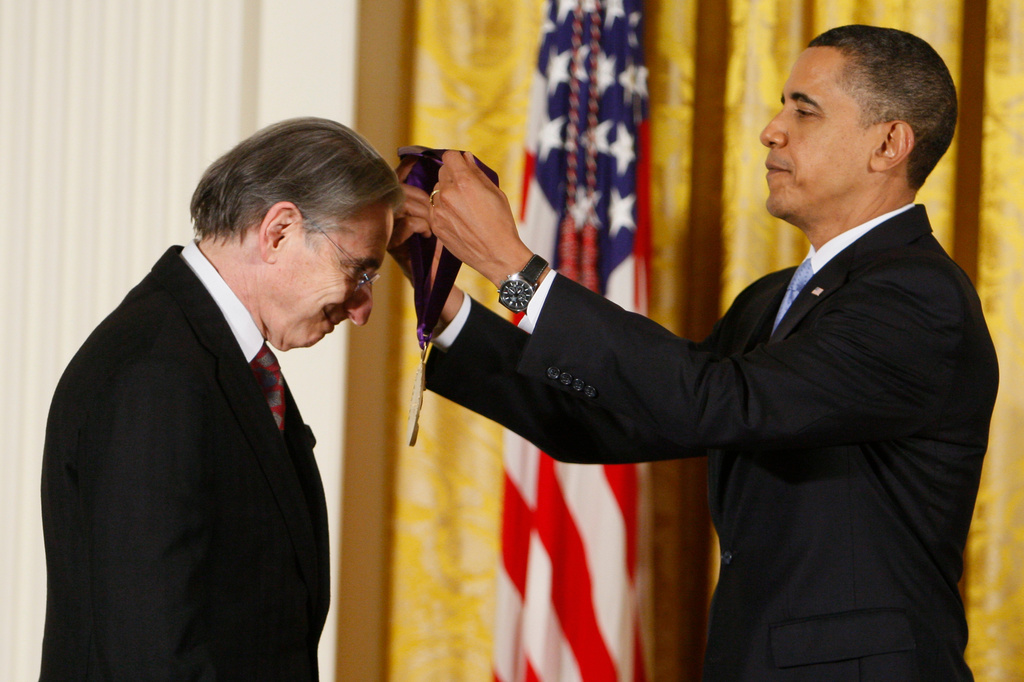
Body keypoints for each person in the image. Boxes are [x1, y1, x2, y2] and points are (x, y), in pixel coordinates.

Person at [392, 25, 998, 680]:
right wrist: (445, 301)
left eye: (804, 109)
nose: (771, 129)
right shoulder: (774, 300)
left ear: (889, 144)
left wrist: (515, 268)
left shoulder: (918, 297)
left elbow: (719, 401)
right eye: (780, 106)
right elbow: (617, 415)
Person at [40, 117, 403, 680]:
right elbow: (151, 654)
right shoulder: (157, 374)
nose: (362, 308)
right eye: (359, 271)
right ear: (279, 230)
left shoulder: (212, 358)